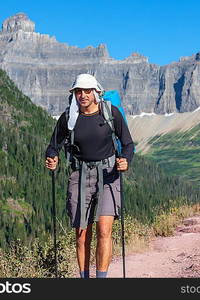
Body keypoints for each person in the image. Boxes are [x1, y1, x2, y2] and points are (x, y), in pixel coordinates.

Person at [45, 74, 134, 278]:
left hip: (108, 176)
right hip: (80, 175)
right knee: (82, 234)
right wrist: (52, 157)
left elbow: (128, 144)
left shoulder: (111, 114)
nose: (82, 95)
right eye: (78, 91)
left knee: (104, 230)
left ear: (96, 93)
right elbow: (53, 146)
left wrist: (126, 160)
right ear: (74, 94)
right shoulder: (68, 118)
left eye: (86, 91)